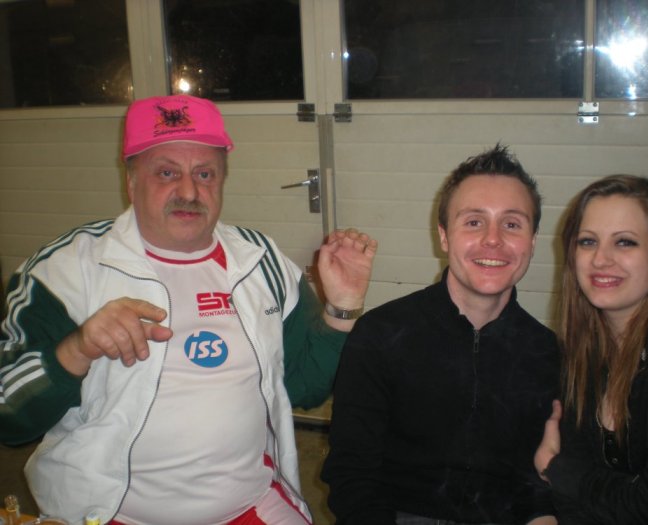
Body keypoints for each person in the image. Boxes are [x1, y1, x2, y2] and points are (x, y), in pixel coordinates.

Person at [0, 94, 377, 525]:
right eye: (166, 173)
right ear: (131, 181)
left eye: (205, 174)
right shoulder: (63, 271)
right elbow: (9, 417)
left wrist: (343, 307)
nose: (188, 191)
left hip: (249, 504)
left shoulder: (261, 261)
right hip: (109, 514)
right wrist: (77, 349)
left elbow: (304, 387)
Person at [321, 144, 560, 525]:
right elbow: (352, 473)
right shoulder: (381, 334)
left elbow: (534, 480)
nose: (493, 239)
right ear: (444, 237)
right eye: (474, 222)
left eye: (512, 224)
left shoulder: (545, 351)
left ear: (532, 242)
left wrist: (542, 515)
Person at [534, 175, 648, 524]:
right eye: (588, 241)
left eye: (625, 242)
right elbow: (575, 498)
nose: (601, 259)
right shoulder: (584, 347)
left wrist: (557, 469)